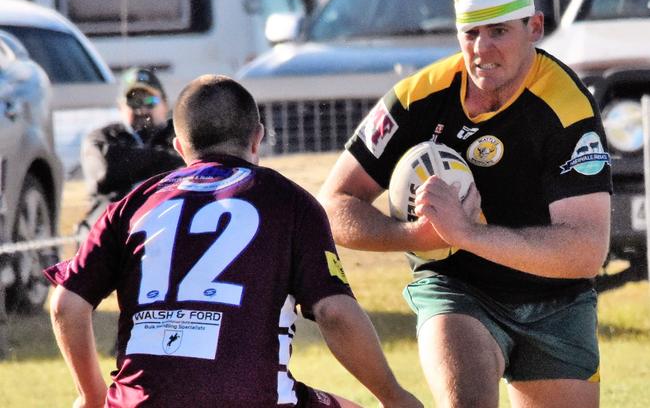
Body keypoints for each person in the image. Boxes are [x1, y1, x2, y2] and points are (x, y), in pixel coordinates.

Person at [318, 0, 612, 408]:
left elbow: (585, 251)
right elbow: (335, 204)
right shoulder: (419, 96)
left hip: (555, 297)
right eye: (470, 33)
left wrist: (467, 233)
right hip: (458, 288)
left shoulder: (566, 108)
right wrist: (412, 236)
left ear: (534, 27)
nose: (481, 49)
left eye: (499, 32)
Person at [45, 74, 422, 408]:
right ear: (257, 137)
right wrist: (393, 396)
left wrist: (91, 397)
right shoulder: (287, 200)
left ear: (180, 148)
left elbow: (66, 305)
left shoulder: (135, 204)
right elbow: (333, 313)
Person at [76, 67, 184, 242]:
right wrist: (165, 160)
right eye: (133, 101)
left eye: (150, 100)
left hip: (169, 229)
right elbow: (105, 169)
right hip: (112, 238)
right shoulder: (103, 137)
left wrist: (135, 162)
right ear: (120, 106)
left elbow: (194, 165)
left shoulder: (179, 134)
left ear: (165, 104)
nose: (141, 109)